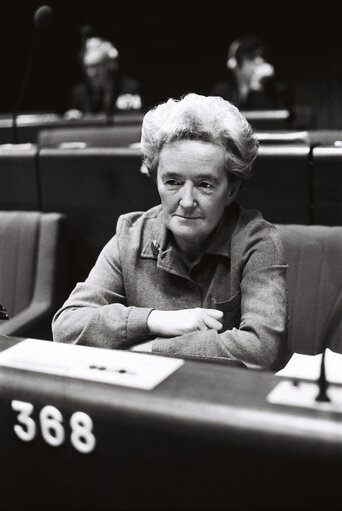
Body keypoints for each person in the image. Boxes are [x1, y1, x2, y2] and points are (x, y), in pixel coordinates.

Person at [53, 93, 288, 371]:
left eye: (205, 185)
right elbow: (67, 327)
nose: (187, 202)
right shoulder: (130, 235)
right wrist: (155, 320)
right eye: (173, 182)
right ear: (156, 179)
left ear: (231, 189)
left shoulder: (257, 241)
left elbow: (261, 349)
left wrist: (150, 348)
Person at [65, 36, 142, 119]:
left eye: (97, 66)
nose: (91, 73)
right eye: (87, 67)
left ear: (110, 66)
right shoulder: (79, 93)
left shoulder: (129, 88)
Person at [210, 36, 292, 111]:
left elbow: (268, 123)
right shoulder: (221, 92)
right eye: (251, 58)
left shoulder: (277, 91)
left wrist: (256, 87)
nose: (259, 61)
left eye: (262, 56)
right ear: (235, 65)